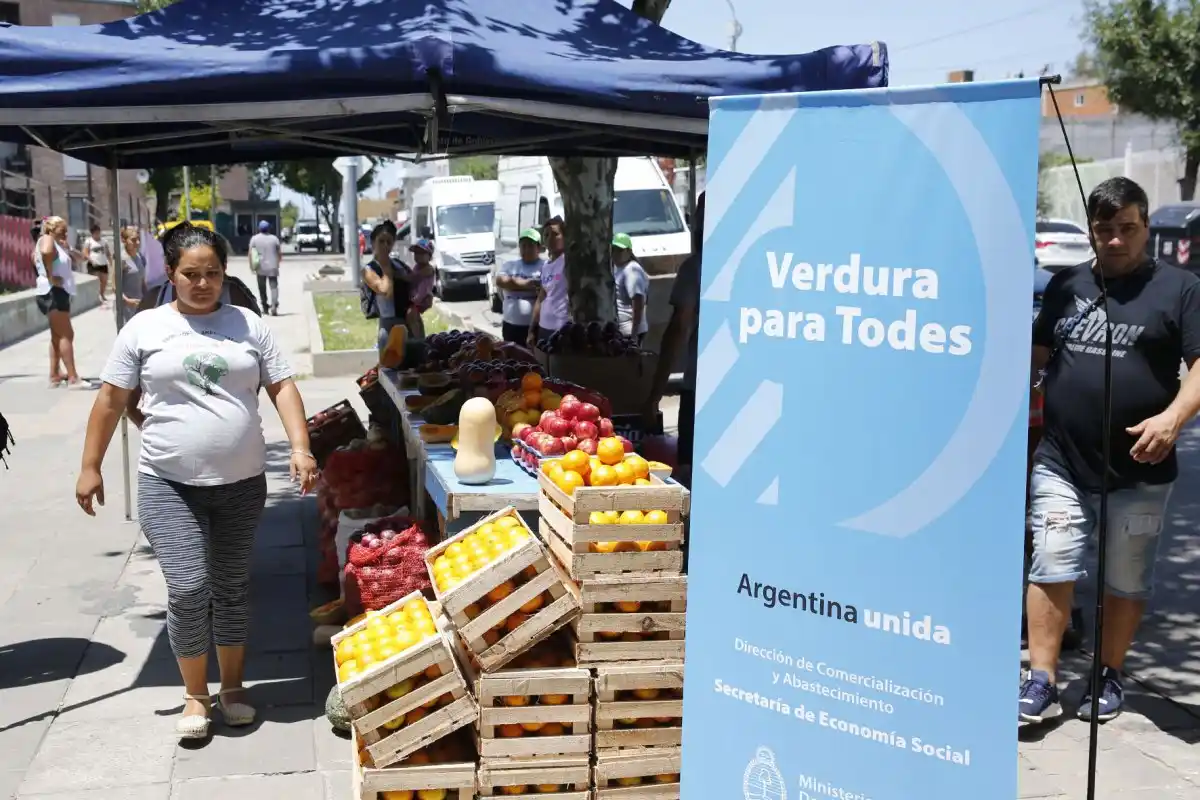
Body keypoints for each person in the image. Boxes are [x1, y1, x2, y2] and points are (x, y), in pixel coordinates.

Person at [75, 223, 318, 740]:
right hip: (168, 483)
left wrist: (300, 447)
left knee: (230, 587)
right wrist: (90, 465)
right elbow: (111, 399)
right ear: (171, 272)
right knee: (189, 586)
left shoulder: (248, 324)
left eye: (212, 273)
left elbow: (283, 387)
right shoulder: (144, 328)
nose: (203, 283)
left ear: (226, 273)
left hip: (242, 483)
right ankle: (194, 694)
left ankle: (232, 688)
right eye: (191, 274)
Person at [1021, 177, 1200, 724]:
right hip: (1062, 459)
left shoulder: (1181, 289)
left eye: (1127, 228)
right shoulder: (1066, 284)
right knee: (1051, 560)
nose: (1116, 240)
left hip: (1141, 468)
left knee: (1126, 576)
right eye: (1104, 229)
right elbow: (1036, 356)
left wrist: (1173, 418)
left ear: (1145, 226)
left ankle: (1108, 674)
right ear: (1092, 231)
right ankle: (1042, 680)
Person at [643, 192, 705, 475]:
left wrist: (655, 394)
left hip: (700, 390)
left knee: (690, 469)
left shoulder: (696, 268)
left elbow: (679, 329)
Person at [33, 216, 87, 388]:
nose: (65, 233)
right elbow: (46, 252)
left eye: (65, 230)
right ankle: (73, 378)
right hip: (53, 292)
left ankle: (55, 374)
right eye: (61, 230)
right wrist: (50, 276)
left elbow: (82, 258)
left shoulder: (57, 244)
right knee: (66, 334)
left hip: (54, 292)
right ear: (50, 230)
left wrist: (67, 247)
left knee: (57, 336)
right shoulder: (47, 240)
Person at [361, 221, 426, 348]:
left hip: (411, 322)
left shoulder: (398, 264)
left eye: (389, 242)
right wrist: (385, 267)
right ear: (373, 242)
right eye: (381, 241)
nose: (385, 245)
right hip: (390, 326)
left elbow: (416, 281)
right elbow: (386, 291)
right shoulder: (369, 270)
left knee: (417, 361)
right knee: (391, 365)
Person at [496, 228, 545, 344]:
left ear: (539, 248)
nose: (526, 250)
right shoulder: (510, 265)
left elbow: (549, 286)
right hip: (510, 325)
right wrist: (530, 284)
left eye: (530, 246)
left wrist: (514, 284)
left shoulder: (545, 266)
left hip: (534, 327)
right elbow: (500, 281)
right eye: (523, 246)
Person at [527, 216, 568, 349]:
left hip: (562, 328)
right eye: (546, 235)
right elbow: (541, 298)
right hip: (544, 327)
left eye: (555, 234)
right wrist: (532, 329)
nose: (550, 238)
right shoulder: (546, 266)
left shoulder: (568, 262)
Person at [612, 232, 649, 344]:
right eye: (613, 249)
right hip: (621, 331)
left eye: (620, 250)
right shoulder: (618, 268)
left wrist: (634, 335)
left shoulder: (631, 270)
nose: (616, 253)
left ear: (629, 251)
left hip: (630, 332)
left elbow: (638, 301)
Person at [248, 220, 283, 316]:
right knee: (274, 287)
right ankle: (274, 305)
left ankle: (265, 307)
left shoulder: (254, 239)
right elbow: (279, 253)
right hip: (272, 266)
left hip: (260, 267)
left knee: (262, 288)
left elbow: (250, 253)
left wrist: (251, 266)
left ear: (259, 228)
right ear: (269, 228)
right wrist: (278, 262)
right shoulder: (274, 239)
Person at [405, 239, 437, 339]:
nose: (418, 256)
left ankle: (417, 339)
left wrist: (405, 276)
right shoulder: (417, 266)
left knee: (411, 315)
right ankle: (416, 336)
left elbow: (416, 280)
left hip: (421, 298)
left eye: (422, 253)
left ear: (429, 256)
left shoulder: (428, 269)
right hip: (416, 298)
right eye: (416, 253)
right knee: (413, 316)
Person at [118, 226, 147, 327]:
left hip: (140, 306)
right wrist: (127, 301)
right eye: (134, 240)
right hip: (126, 308)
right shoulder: (121, 259)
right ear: (124, 241)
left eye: (138, 239)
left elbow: (143, 282)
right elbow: (115, 287)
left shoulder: (140, 257)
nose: (138, 242)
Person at [84, 224, 112, 304]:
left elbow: (108, 253)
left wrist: (110, 262)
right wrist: (91, 260)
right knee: (96, 282)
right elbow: (85, 253)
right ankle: (96, 297)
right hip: (93, 264)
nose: (97, 234)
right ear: (92, 233)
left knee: (104, 280)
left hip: (103, 263)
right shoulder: (89, 241)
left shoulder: (104, 241)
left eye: (98, 232)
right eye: (95, 233)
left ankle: (102, 294)